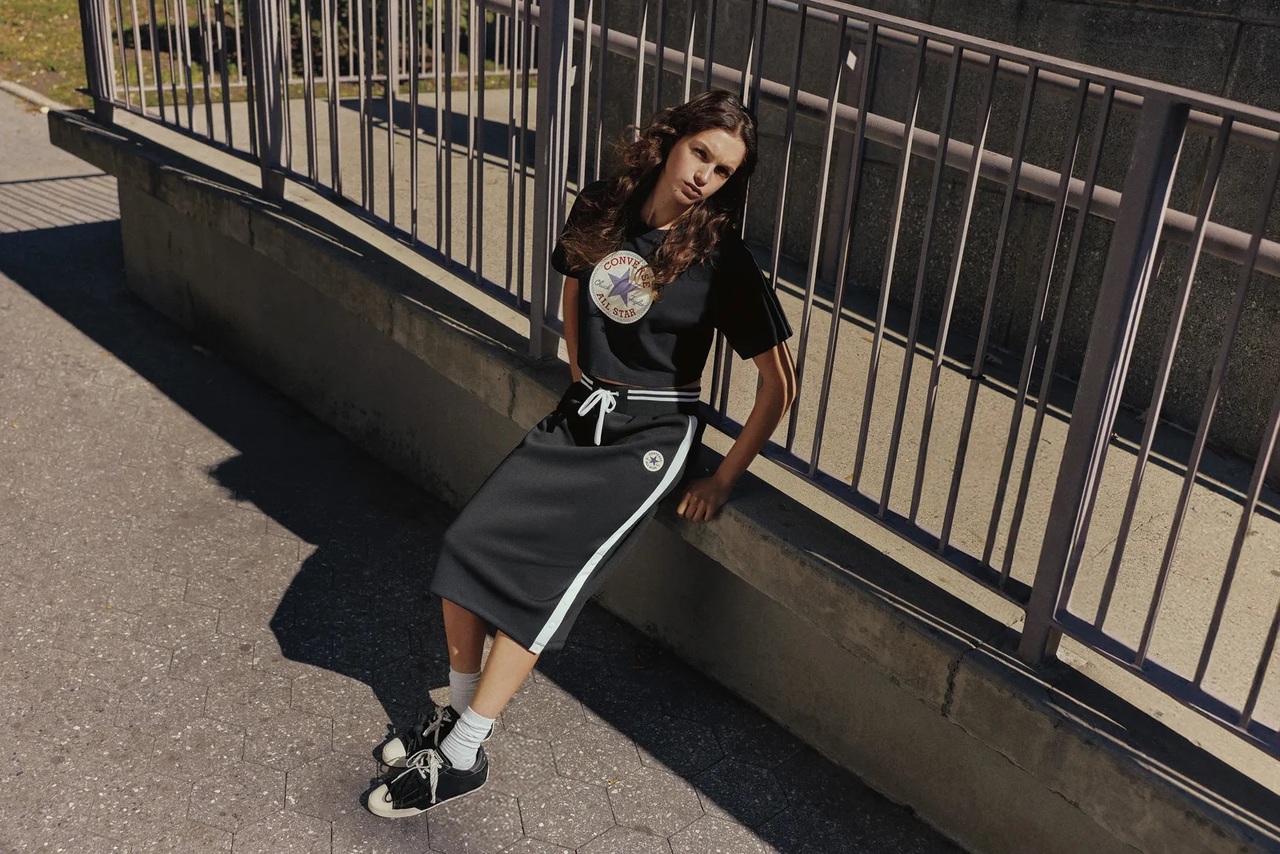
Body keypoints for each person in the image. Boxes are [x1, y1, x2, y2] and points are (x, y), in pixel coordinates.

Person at [365, 89, 797, 818]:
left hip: (651, 439)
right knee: (467, 545)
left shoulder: (720, 259)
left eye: (723, 170)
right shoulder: (605, 204)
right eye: (700, 153)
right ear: (673, 140)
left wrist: (723, 478)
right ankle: (457, 720)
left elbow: (779, 384)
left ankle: (464, 754)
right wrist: (580, 374)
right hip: (585, 413)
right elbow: (572, 288)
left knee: (541, 588)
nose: (704, 176)